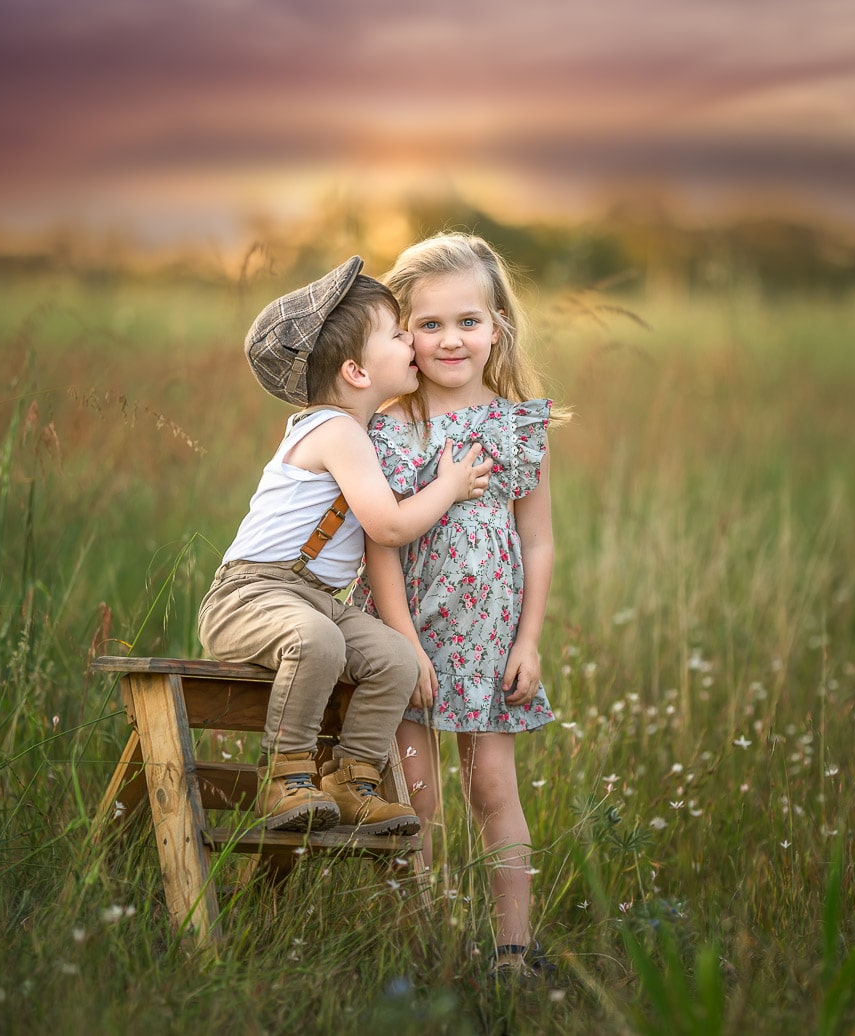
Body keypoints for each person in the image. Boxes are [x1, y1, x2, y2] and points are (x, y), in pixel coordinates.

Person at [197, 256, 493, 837]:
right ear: (357, 371)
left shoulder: (355, 430)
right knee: (317, 640)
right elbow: (387, 527)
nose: (411, 339)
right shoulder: (335, 430)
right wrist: (450, 487)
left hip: (312, 597)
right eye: (397, 332)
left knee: (395, 659)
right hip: (249, 594)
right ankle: (286, 777)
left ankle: (353, 779)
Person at [356, 233, 561, 976]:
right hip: (409, 635)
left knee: (492, 790)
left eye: (468, 321)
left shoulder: (517, 427)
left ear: (497, 325)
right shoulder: (389, 427)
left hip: (488, 641)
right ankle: (423, 949)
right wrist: (404, 644)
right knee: (419, 800)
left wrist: (527, 642)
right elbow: (382, 545)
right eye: (430, 324)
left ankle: (512, 951)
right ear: (402, 334)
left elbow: (536, 541)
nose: (450, 340)